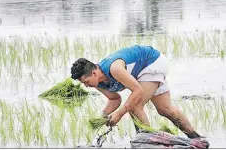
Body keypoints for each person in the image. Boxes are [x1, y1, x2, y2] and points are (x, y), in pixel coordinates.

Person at [70, 45, 204, 140]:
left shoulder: (114, 68)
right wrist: (103, 115)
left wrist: (119, 114)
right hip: (143, 70)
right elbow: (114, 99)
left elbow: (137, 91)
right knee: (165, 109)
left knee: (134, 107)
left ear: (93, 73)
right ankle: (196, 139)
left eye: (85, 82)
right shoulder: (97, 82)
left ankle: (147, 143)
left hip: (151, 62)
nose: (86, 86)